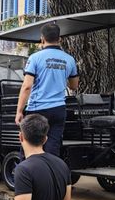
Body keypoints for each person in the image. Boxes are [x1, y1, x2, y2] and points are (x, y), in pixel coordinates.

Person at [15, 23, 79, 157]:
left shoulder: (35, 58)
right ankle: (51, 175)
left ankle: (28, 174)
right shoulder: (69, 59)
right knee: (53, 146)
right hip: (58, 109)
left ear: (42, 38)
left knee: (30, 145)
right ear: (59, 39)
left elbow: (27, 86)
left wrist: (19, 111)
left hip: (37, 109)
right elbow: (73, 86)